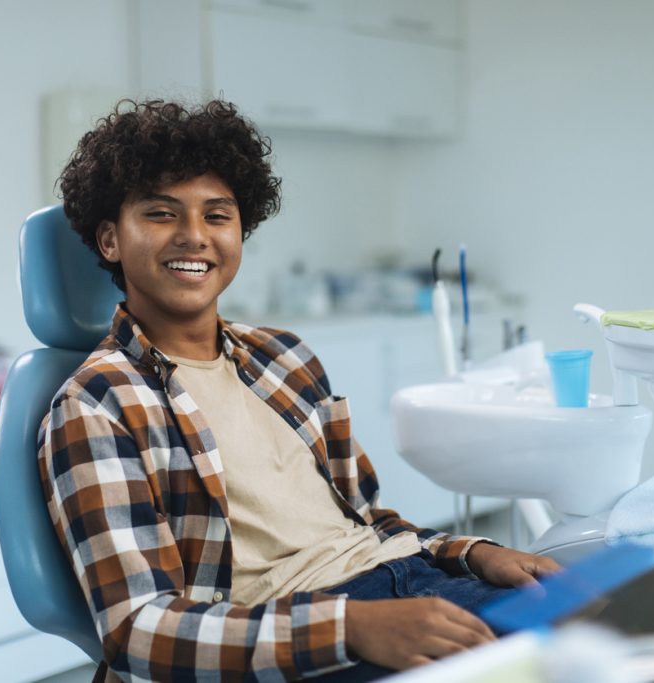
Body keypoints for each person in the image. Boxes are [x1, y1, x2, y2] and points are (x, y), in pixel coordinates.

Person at [38, 99, 560, 683]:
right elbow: (138, 629)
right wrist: (351, 628)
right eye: (161, 214)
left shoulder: (283, 358)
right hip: (293, 641)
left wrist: (472, 553)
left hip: (413, 585)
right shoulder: (94, 404)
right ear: (110, 240)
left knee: (612, 632)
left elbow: (363, 521)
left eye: (217, 215)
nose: (194, 236)